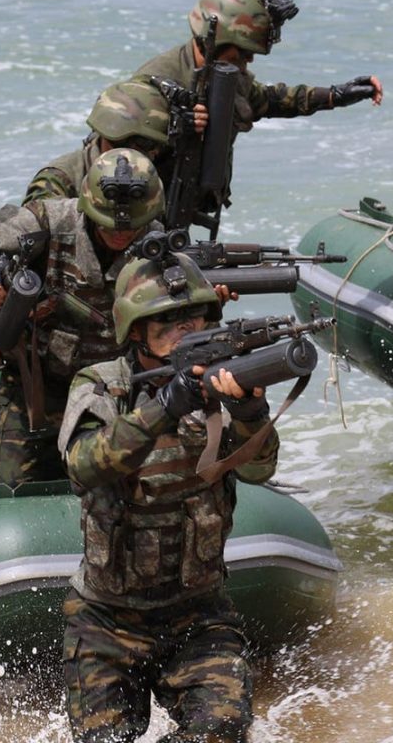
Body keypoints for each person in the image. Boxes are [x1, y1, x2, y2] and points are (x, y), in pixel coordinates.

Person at [57, 253, 280, 743]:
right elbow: (83, 465)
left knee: (221, 730)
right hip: (107, 620)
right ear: (136, 331)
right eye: (168, 323)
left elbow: (259, 469)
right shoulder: (102, 384)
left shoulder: (222, 383)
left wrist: (250, 414)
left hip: (198, 616)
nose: (185, 331)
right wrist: (164, 407)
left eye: (194, 319)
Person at [0, 148, 167, 488]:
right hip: (39, 385)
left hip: (111, 391)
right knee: (11, 489)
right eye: (108, 224)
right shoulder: (50, 219)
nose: (120, 233)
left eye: (131, 227)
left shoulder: (158, 245)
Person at [131, 0, 383, 204]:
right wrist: (171, 127)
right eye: (243, 51)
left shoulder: (223, 76)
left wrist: (335, 95)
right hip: (137, 218)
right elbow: (116, 156)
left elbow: (270, 99)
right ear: (214, 41)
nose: (249, 60)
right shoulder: (153, 85)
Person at [22, 79, 170, 204]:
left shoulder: (159, 169)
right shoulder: (60, 178)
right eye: (147, 144)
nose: (155, 152)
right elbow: (37, 222)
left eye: (157, 145)